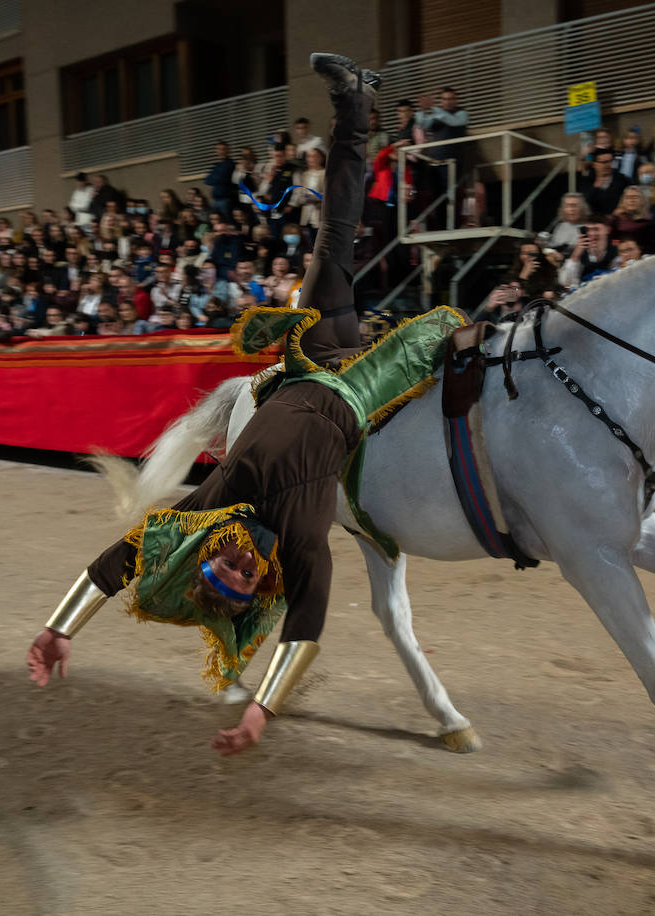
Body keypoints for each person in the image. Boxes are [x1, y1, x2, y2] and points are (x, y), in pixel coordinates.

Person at [26, 55, 466, 758]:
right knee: (448, 334)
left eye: (220, 567)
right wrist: (261, 712)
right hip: (360, 388)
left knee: (332, 235)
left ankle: (357, 106)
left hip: (304, 360)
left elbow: (120, 562)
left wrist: (57, 628)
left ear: (210, 553)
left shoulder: (217, 502)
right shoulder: (303, 546)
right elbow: (306, 630)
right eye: (242, 578)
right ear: (263, 581)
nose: (236, 564)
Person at [579, 146, 630, 215]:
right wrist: (595, 188)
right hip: (594, 220)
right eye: (604, 162)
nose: (608, 165)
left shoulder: (622, 180)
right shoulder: (586, 180)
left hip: (616, 220)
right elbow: (583, 203)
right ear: (595, 164)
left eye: (611, 161)